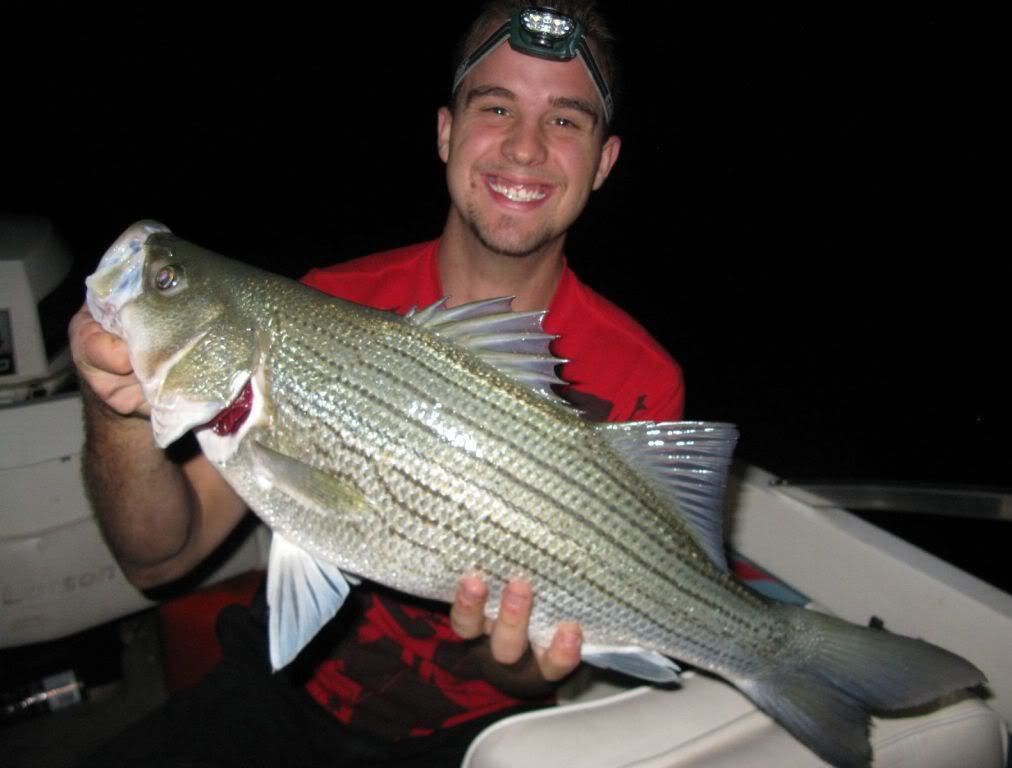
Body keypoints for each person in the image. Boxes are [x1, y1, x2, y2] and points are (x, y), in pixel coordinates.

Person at [71, 2, 684, 765]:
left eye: (564, 120)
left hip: (476, 733)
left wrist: (513, 653)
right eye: (496, 107)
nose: (524, 147)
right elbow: (157, 558)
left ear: (604, 161)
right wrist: (118, 407)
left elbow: (534, 670)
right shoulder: (328, 300)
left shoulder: (642, 379)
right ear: (446, 132)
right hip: (281, 693)